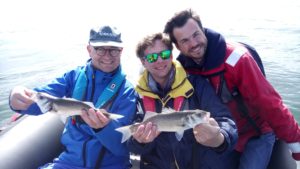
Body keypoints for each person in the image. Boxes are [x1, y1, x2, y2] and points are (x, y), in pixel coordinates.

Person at [163, 9, 300, 169]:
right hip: (221, 134)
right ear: (178, 46)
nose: (193, 43)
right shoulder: (183, 70)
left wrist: (295, 144)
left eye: (196, 35)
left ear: (204, 30)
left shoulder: (238, 60)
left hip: (255, 134)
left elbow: (270, 103)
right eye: (185, 40)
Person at [9, 25, 137, 169]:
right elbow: (39, 100)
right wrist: (16, 96)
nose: (107, 56)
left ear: (121, 51)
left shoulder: (128, 92)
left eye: (113, 50)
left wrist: (103, 128)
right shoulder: (72, 77)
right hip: (69, 163)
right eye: (100, 49)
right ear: (89, 49)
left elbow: (122, 148)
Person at [127, 32, 238, 169]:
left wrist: (219, 138)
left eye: (165, 54)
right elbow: (133, 146)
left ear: (172, 55)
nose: (160, 60)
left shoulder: (197, 85)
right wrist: (139, 141)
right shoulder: (137, 95)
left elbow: (226, 120)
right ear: (143, 62)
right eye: (152, 57)